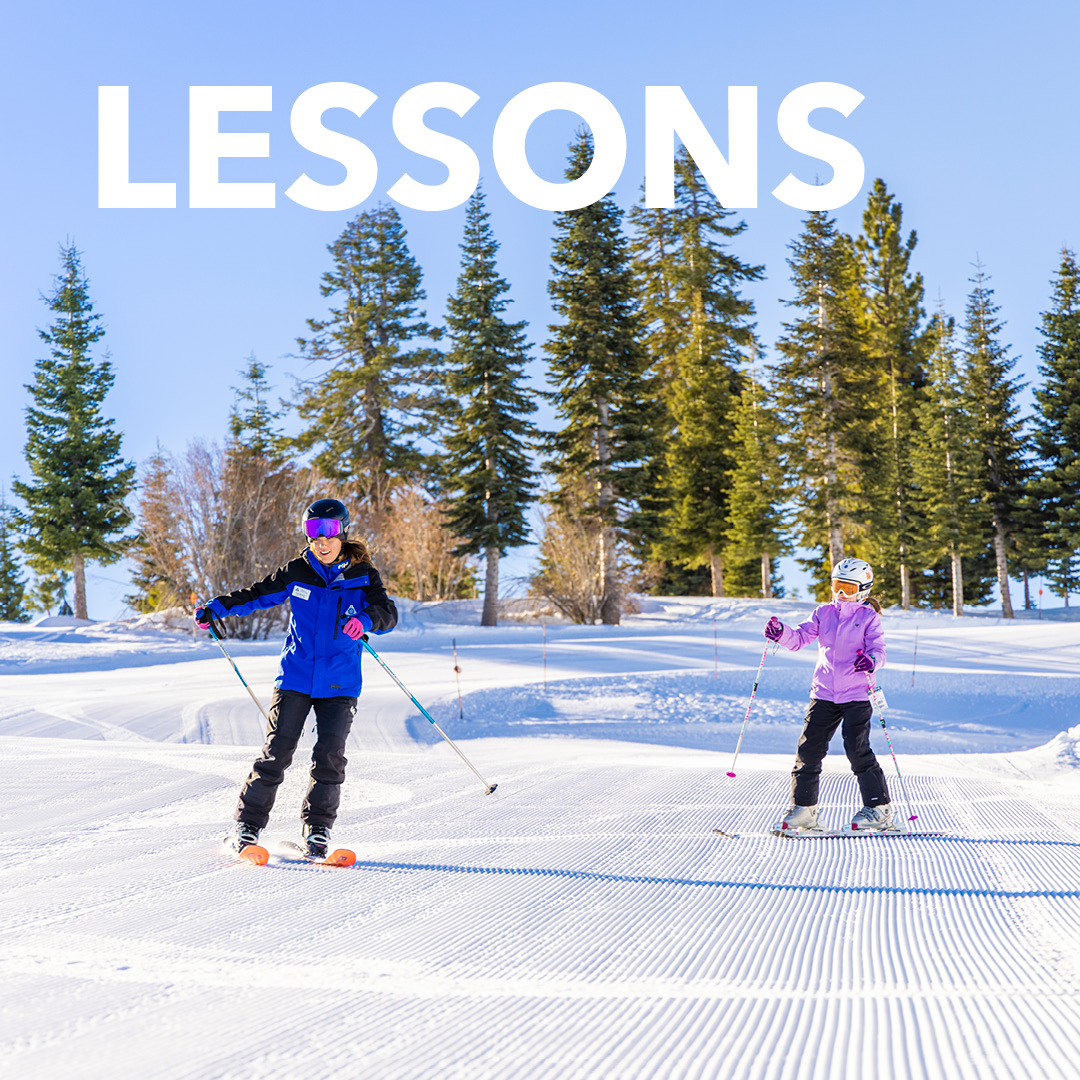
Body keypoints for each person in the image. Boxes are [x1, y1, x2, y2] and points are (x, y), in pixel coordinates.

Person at [194, 497, 397, 858]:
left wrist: (365, 621)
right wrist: (216, 607)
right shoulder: (297, 571)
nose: (322, 541)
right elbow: (255, 595)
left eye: (329, 532)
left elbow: (388, 612)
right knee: (277, 753)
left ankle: (318, 832)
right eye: (313, 533)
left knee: (329, 757)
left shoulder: (363, 575)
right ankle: (247, 828)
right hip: (296, 677)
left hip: (340, 682)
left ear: (343, 532)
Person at [764, 557, 892, 835]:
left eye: (847, 587)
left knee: (856, 749)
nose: (841, 593)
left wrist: (871, 660)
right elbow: (799, 638)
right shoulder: (823, 613)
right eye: (837, 585)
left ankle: (878, 809)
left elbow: (879, 650)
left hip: (857, 694)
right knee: (808, 749)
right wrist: (780, 633)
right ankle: (804, 810)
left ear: (863, 589)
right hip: (823, 693)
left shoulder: (868, 617)